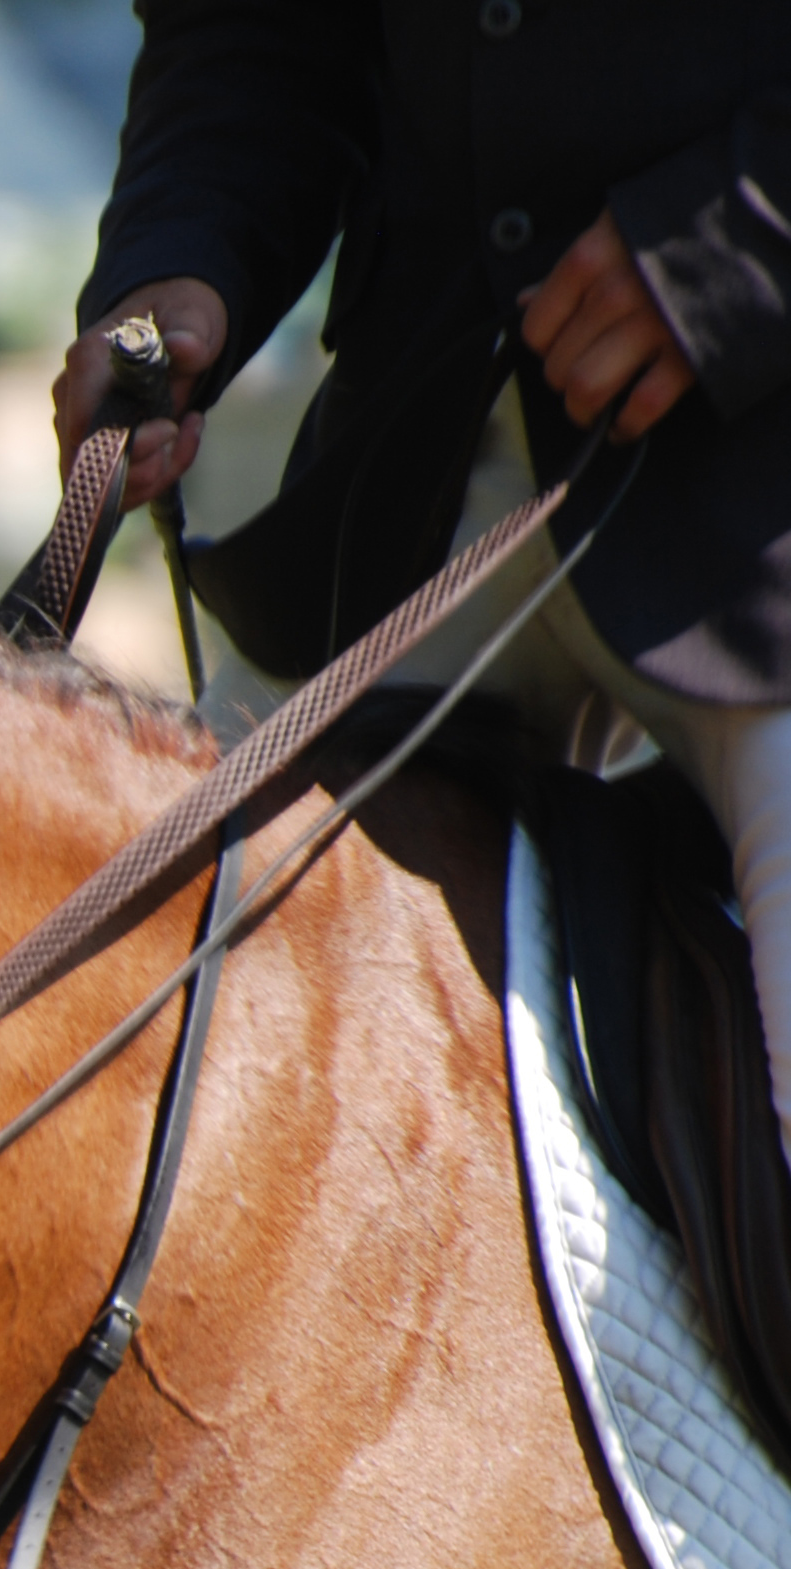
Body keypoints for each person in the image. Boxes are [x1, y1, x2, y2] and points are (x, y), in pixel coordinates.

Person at [56, 5, 791, 1158]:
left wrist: (744, 230)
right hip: (408, 482)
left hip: (763, 506)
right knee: (106, 1043)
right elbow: (257, 33)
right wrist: (181, 258)